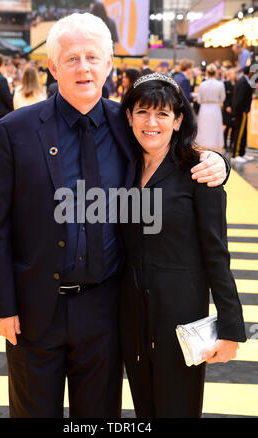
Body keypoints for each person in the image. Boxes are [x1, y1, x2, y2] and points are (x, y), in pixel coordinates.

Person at [0, 13, 230, 419]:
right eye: (73, 58)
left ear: (109, 64)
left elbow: (177, 154)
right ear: (53, 65)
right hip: (31, 310)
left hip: (106, 310)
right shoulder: (16, 129)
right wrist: (0, 305)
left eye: (93, 57)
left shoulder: (129, 124)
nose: (84, 67)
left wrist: (216, 162)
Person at [120, 73, 246, 418]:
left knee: (178, 406)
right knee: (144, 404)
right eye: (143, 111)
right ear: (129, 116)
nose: (151, 123)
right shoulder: (122, 167)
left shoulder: (199, 172)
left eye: (162, 114)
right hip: (129, 308)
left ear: (178, 121)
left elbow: (216, 251)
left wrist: (231, 327)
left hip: (181, 309)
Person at [195, 63, 226, 150]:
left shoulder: (202, 84)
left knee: (203, 128)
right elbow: (223, 98)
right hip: (215, 108)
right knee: (214, 128)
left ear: (207, 73)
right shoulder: (220, 84)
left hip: (204, 108)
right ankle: (215, 146)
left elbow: (199, 99)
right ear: (216, 73)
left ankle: (203, 146)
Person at [231, 65, 255, 164]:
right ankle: (236, 154)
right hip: (241, 112)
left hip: (241, 111)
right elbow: (239, 100)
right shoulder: (243, 82)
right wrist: (243, 110)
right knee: (239, 133)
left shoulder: (244, 81)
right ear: (250, 73)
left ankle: (242, 153)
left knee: (243, 133)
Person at [223, 69, 236, 150]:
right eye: (231, 73)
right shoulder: (225, 84)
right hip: (227, 108)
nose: (233, 75)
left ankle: (231, 144)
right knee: (227, 127)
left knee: (234, 127)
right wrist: (226, 106)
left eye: (234, 73)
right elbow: (224, 97)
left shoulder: (237, 83)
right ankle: (225, 144)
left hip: (234, 108)